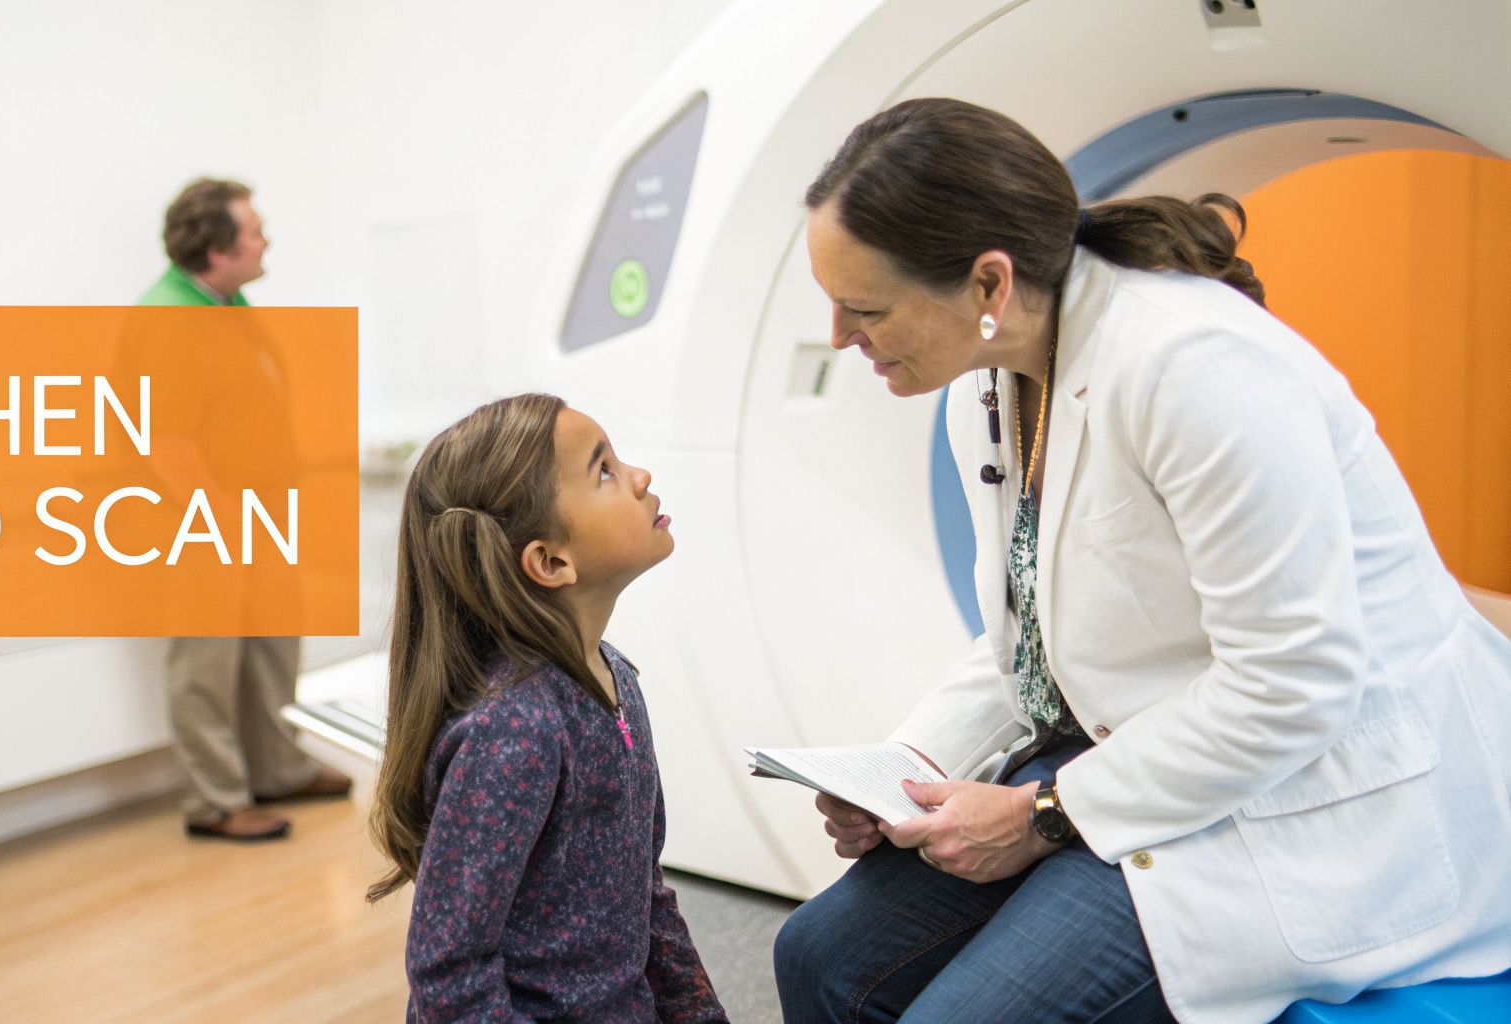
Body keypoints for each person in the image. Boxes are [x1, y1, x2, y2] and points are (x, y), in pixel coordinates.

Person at [772, 98, 1511, 1023]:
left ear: (990, 285)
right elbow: (1033, 638)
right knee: (817, 957)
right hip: (1145, 749)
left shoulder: (1195, 367)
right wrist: (904, 770)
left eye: (865, 307)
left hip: (1318, 791)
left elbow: (1297, 682)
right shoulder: (991, 387)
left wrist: (1042, 816)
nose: (840, 336)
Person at [366, 394, 728, 1023]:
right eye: (605, 470)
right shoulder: (515, 730)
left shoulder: (615, 677)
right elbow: (448, 971)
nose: (641, 476)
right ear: (550, 561)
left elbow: (645, 898)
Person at [138, 177, 350, 842]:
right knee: (206, 661)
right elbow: (164, 440)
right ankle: (216, 801)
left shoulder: (228, 301)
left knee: (270, 646)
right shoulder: (170, 320)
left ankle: (278, 768)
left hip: (258, 508)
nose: (266, 240)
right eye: (255, 230)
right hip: (202, 514)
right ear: (217, 248)